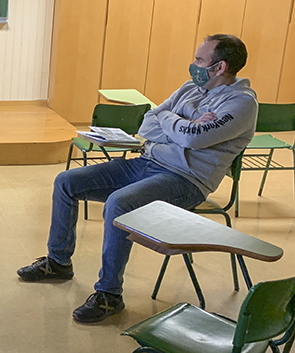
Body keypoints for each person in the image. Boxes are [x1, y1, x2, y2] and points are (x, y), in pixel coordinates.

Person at [17, 34, 258, 323]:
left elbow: (193, 140)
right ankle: (58, 263)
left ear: (220, 67)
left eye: (199, 60)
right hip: (146, 162)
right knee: (67, 182)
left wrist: (172, 121)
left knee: (119, 204)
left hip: (185, 180)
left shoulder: (242, 104)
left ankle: (109, 295)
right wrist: (182, 124)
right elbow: (148, 123)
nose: (192, 65)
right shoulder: (190, 88)